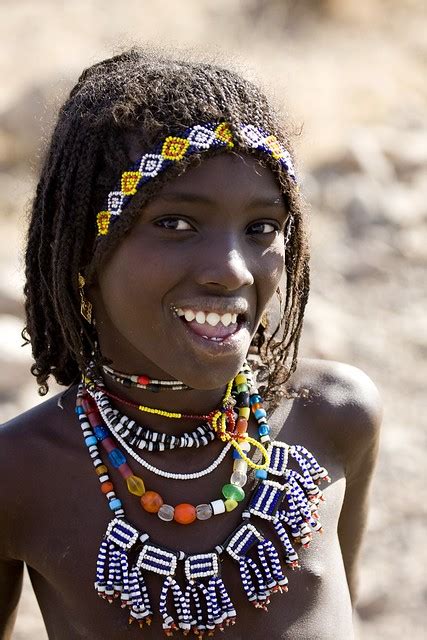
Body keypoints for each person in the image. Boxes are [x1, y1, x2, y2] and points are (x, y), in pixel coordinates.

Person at [0, 49, 382, 640]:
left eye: (261, 228)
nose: (232, 271)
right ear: (83, 252)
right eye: (176, 223)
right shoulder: (20, 474)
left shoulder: (335, 417)